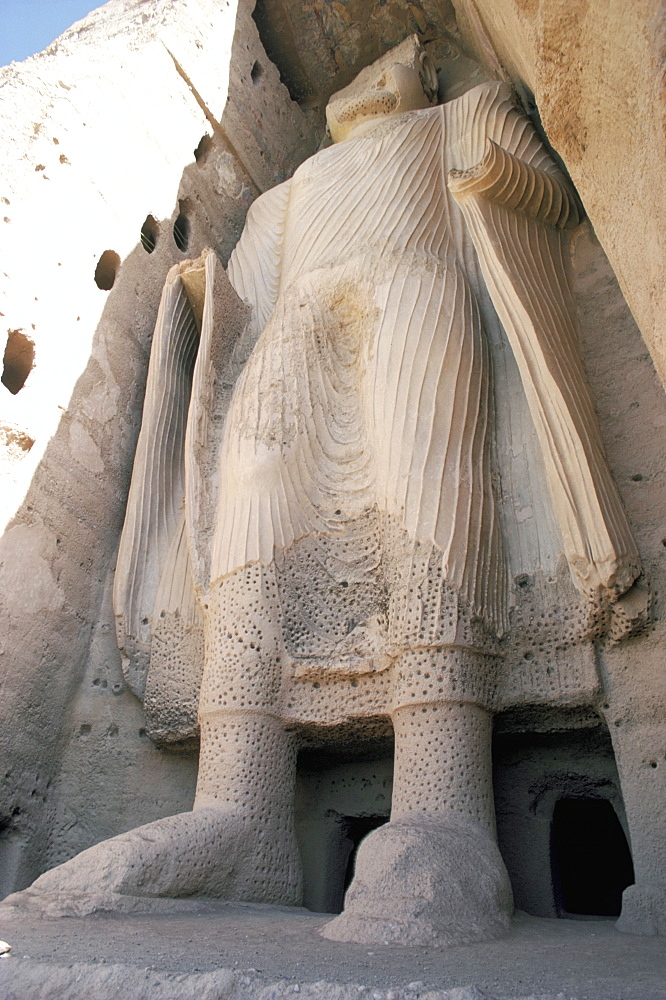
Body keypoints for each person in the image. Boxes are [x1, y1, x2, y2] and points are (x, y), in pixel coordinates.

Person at [14, 35, 641, 945]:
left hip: (416, 292)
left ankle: (445, 805)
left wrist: (494, 155)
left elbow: (549, 186)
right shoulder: (279, 199)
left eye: (396, 59)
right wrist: (201, 301)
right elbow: (246, 306)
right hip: (292, 334)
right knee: (253, 504)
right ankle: (238, 812)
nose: (368, 74)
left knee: (429, 481)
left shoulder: (451, 118)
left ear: (421, 76)